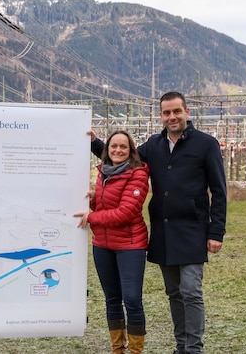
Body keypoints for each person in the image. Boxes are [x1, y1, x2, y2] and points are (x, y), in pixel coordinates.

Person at [89, 91, 227, 354]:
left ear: (187, 112)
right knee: (174, 292)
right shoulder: (154, 145)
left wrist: (216, 231)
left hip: (193, 229)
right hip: (163, 231)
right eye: (167, 112)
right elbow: (123, 157)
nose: (172, 117)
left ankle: (193, 348)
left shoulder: (206, 144)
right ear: (160, 115)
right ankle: (181, 346)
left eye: (177, 111)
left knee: (191, 291)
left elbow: (219, 191)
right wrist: (95, 143)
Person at [74, 130, 150, 354]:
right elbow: (106, 207)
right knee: (112, 300)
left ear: (130, 151)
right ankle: (118, 349)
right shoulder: (103, 172)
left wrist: (92, 217)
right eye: (113, 146)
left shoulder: (138, 174)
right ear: (107, 150)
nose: (118, 150)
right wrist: (94, 200)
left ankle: (135, 351)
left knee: (132, 299)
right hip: (103, 245)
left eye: (123, 147)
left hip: (130, 245)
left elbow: (126, 212)